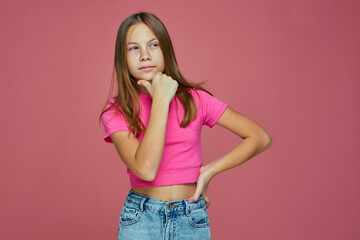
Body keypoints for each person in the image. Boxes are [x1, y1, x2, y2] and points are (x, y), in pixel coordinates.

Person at [99, 11, 272, 240]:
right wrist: (161, 100)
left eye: (153, 45)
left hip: (190, 216)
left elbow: (260, 137)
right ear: (122, 58)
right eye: (133, 48)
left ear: (166, 50)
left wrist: (209, 171)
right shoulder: (117, 111)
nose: (144, 55)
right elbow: (146, 169)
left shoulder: (195, 99)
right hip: (141, 218)